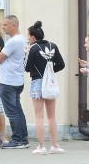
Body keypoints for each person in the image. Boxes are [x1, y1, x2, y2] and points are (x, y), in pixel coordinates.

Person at [24, 21, 66, 154]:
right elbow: (61, 64)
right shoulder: (52, 45)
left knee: (39, 116)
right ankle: (55, 145)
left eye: (28, 36)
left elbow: (27, 67)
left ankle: (41, 146)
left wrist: (26, 53)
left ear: (32, 37)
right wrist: (50, 70)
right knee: (52, 116)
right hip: (50, 82)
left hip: (37, 81)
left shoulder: (33, 48)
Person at [0, 15, 30, 149]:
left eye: (5, 25)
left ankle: (18, 140)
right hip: (16, 79)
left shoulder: (13, 41)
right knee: (17, 110)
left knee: (12, 112)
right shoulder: (22, 39)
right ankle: (23, 139)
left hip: (9, 81)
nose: (3, 27)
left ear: (13, 25)